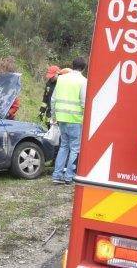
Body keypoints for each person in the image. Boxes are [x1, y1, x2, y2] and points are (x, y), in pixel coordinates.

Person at [50, 57, 87, 185]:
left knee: (63, 146)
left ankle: (56, 175)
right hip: (75, 119)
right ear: (83, 68)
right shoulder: (83, 81)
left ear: (72, 65)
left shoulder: (61, 79)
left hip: (61, 118)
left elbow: (53, 99)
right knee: (74, 148)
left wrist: (53, 115)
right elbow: (83, 102)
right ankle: (69, 177)